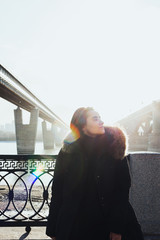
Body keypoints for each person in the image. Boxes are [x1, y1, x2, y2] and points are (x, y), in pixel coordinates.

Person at [46, 107, 144, 240]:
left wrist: (116, 228)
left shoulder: (114, 148)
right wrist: (52, 229)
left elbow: (122, 191)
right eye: (95, 118)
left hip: (105, 225)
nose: (101, 121)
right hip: (74, 226)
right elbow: (57, 191)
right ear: (82, 125)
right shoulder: (67, 151)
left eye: (100, 117)